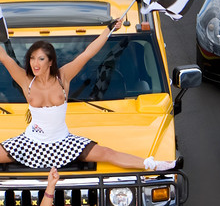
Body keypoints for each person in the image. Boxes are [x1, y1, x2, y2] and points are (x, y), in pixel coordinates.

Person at [0, 20, 180, 171]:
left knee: (107, 153)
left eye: (40, 59)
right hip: (31, 141)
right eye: (32, 58)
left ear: (51, 61)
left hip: (63, 142)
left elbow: (88, 53)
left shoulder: (63, 77)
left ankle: (154, 164)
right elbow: (5, 57)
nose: (35, 63)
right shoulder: (26, 80)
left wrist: (108, 29)